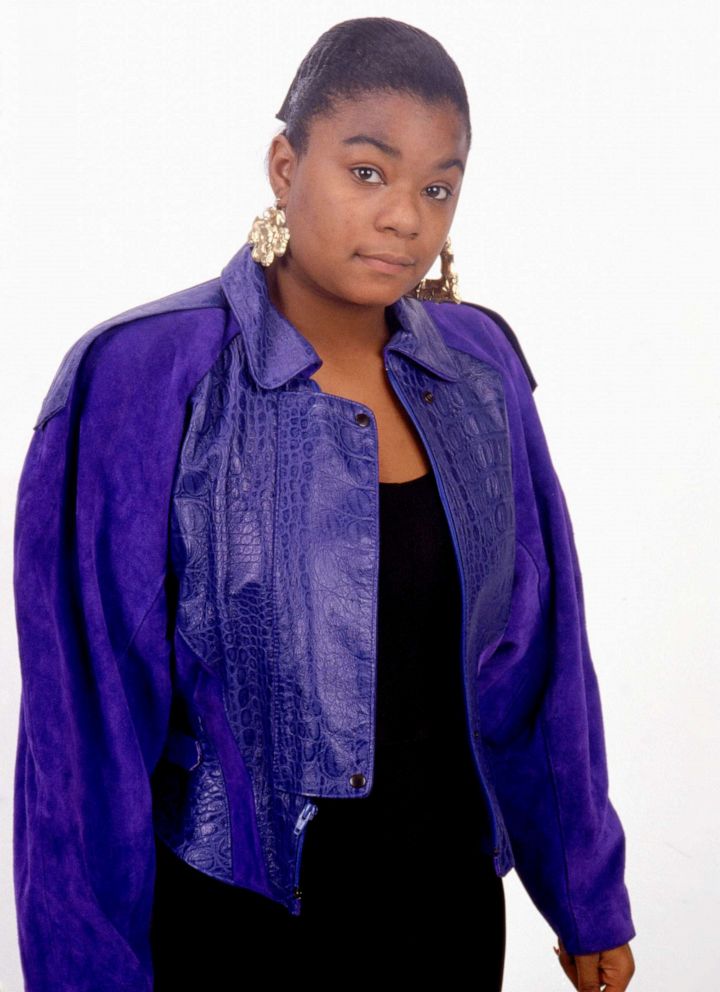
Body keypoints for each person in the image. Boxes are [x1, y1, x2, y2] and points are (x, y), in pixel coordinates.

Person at [12, 16, 637, 992]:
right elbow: (86, 732)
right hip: (235, 932)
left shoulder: (480, 371)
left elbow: (542, 659)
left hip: (449, 919)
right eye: (369, 172)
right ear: (283, 163)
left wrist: (586, 889)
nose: (406, 218)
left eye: (439, 186)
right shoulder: (138, 376)